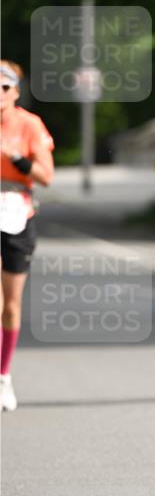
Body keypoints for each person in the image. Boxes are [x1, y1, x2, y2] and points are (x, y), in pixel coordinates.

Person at [0, 60, 54, 411]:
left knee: (11, 303)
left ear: (16, 92)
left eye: (4, 87)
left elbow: (46, 176)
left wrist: (17, 159)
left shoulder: (29, 125)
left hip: (16, 213)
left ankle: (3, 375)